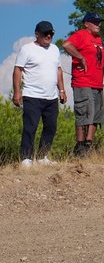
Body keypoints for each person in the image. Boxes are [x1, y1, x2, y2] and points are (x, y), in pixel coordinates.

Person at [12, 21, 67, 166]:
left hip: (51, 96)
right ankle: (26, 158)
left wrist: (62, 90)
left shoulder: (55, 49)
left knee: (51, 127)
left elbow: (59, 70)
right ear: (37, 34)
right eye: (45, 33)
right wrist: (17, 92)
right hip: (32, 95)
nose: (49, 36)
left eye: (51, 33)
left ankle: (43, 157)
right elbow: (18, 69)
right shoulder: (27, 49)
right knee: (30, 127)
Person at [62, 12, 104, 156]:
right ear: (86, 23)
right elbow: (66, 44)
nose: (98, 25)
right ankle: (80, 146)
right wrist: (80, 57)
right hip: (83, 81)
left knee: (96, 116)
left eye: (99, 22)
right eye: (95, 22)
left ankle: (88, 144)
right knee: (84, 114)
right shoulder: (81, 34)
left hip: (97, 83)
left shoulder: (98, 39)